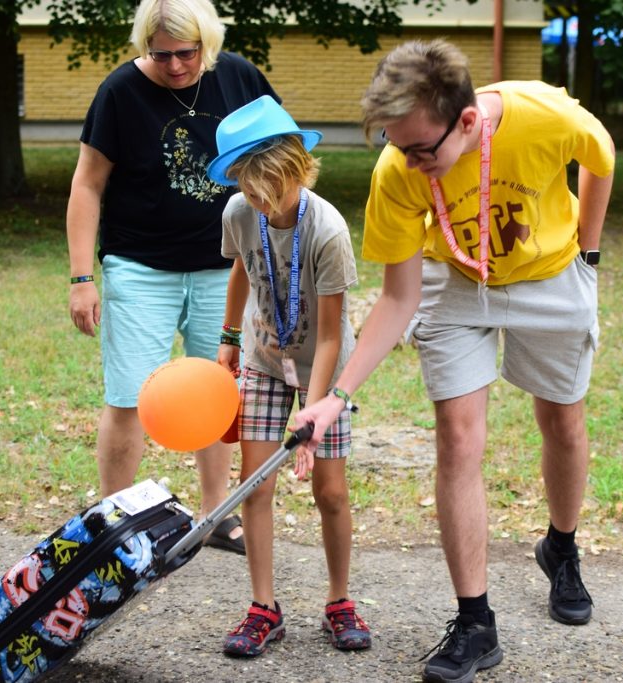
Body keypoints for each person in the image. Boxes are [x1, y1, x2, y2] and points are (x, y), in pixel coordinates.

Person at [294, 40, 615, 683]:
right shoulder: (397, 171)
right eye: (395, 146)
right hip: (455, 283)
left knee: (562, 422)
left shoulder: (546, 116)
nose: (407, 164)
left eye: (420, 151)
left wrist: (589, 251)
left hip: (550, 273)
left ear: (467, 122)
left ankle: (561, 547)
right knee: (457, 439)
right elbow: (397, 298)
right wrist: (336, 394)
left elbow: (600, 158)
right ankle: (475, 622)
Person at [65, 0, 279, 555]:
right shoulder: (119, 92)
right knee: (130, 394)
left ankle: (216, 514)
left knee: (218, 391)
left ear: (207, 42)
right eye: (160, 55)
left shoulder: (238, 76)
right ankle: (112, 520)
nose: (176, 65)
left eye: (187, 53)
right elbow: (88, 184)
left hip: (225, 269)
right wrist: (81, 276)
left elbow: (279, 155)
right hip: (140, 267)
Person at [205, 95, 372, 657]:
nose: (259, 203)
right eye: (248, 190)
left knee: (330, 491)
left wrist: (315, 407)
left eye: (267, 190)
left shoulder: (328, 231)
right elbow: (241, 271)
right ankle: (263, 606)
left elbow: (330, 335)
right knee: (256, 484)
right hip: (263, 359)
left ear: (297, 172)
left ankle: (340, 601)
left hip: (325, 367)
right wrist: (229, 339)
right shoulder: (239, 211)